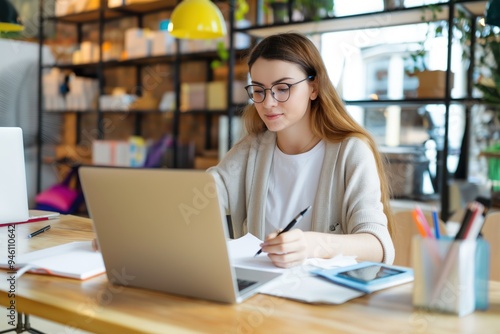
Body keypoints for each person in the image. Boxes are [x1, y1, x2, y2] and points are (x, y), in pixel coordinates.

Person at [207, 32, 394, 268]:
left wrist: (313, 246)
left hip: (326, 298)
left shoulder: (351, 152)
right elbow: (202, 195)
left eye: (282, 88)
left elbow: (378, 245)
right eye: (258, 90)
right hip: (262, 293)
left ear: (313, 87)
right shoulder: (252, 149)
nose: (267, 103)